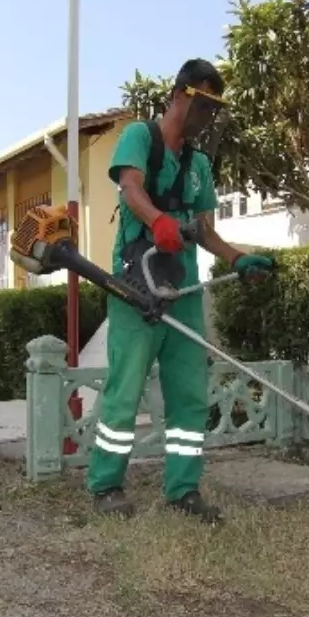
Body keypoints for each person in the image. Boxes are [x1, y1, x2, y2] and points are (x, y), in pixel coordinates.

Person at [89, 58, 275, 524]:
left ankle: (183, 490)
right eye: (203, 104)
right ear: (180, 94)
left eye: (215, 109)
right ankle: (106, 484)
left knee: (190, 394)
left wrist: (237, 257)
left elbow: (206, 230)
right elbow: (131, 189)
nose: (207, 116)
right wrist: (158, 222)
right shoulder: (140, 137)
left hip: (184, 291)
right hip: (138, 287)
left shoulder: (199, 164)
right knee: (124, 391)